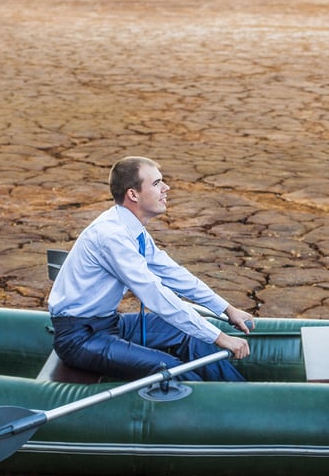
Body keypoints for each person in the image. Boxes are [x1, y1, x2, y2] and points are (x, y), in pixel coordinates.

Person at [48, 156, 253, 382]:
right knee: (169, 368)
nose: (166, 188)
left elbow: (173, 273)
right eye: (156, 183)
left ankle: (242, 395)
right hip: (80, 338)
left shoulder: (130, 228)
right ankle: (220, 409)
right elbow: (155, 294)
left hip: (108, 323)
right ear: (133, 194)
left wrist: (226, 309)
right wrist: (220, 337)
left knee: (189, 335)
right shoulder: (112, 236)